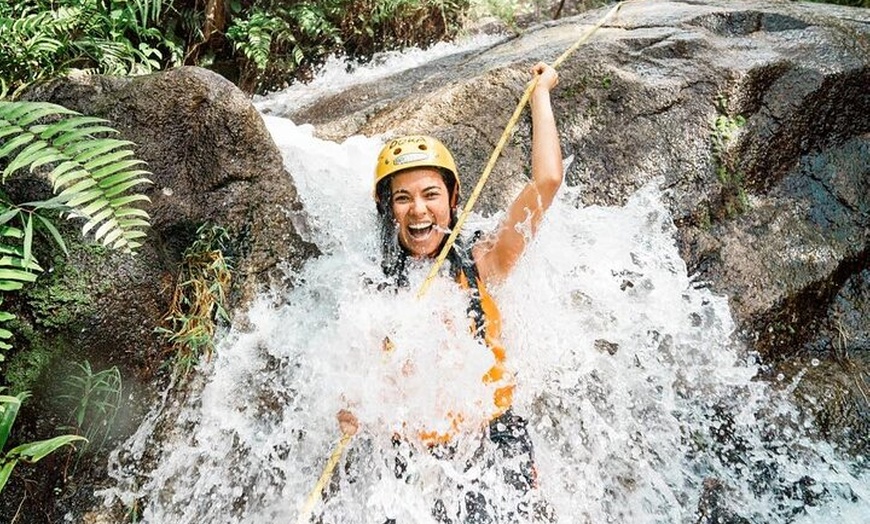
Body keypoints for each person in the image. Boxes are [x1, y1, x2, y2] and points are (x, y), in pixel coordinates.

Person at [337, 61, 562, 523]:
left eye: (430, 194)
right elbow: (356, 377)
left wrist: (542, 93)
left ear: (452, 197)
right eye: (403, 198)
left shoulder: (486, 261)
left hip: (492, 444)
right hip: (408, 459)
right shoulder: (371, 286)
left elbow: (547, 183)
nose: (418, 210)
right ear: (387, 208)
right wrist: (350, 410)